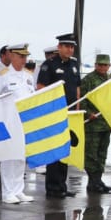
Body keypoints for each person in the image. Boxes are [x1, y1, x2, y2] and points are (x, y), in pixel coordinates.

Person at [35, 32, 81, 197]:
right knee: (54, 150)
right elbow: (41, 88)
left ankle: (62, 184)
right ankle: (53, 186)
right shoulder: (49, 65)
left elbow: (76, 88)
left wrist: (77, 108)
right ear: (59, 47)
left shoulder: (74, 65)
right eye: (67, 46)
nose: (70, 50)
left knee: (65, 149)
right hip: (54, 113)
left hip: (69, 112)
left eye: (72, 47)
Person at [0, 43, 36, 204]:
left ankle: (18, 189)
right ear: (11, 56)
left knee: (20, 157)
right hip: (8, 120)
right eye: (20, 56)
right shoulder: (3, 76)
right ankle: (8, 191)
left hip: (24, 121)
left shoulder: (28, 76)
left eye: (25, 56)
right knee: (8, 156)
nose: (24, 59)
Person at [79, 54, 111, 193]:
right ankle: (93, 181)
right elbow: (81, 100)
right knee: (91, 155)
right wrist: (88, 113)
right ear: (95, 65)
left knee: (102, 154)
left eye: (105, 65)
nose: (102, 67)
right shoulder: (88, 80)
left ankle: (98, 180)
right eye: (100, 65)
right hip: (92, 124)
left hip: (105, 123)